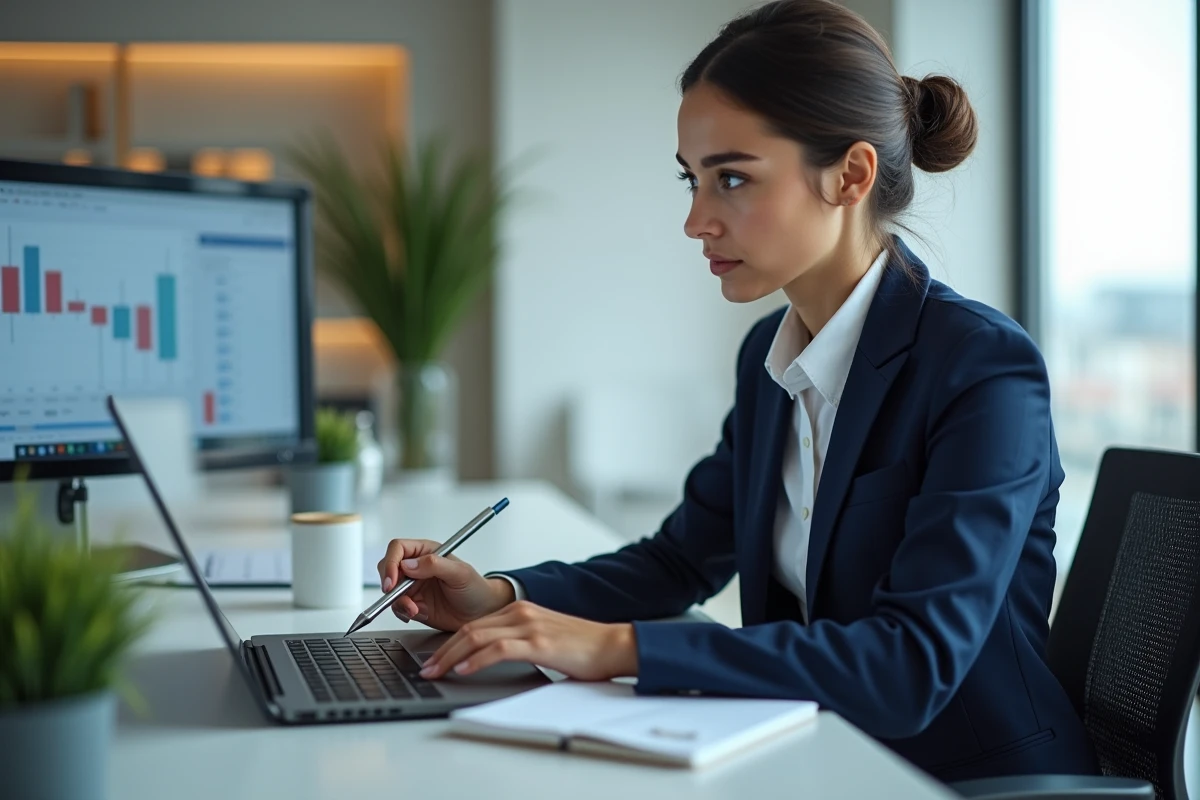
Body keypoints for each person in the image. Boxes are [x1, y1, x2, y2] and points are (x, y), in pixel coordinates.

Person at [377, 0, 1099, 783]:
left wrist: (616, 648)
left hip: (961, 778)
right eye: (692, 180)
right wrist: (501, 597)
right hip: (818, 753)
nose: (696, 221)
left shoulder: (981, 368)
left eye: (731, 179)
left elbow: (910, 664)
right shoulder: (770, 356)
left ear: (850, 175)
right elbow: (679, 561)